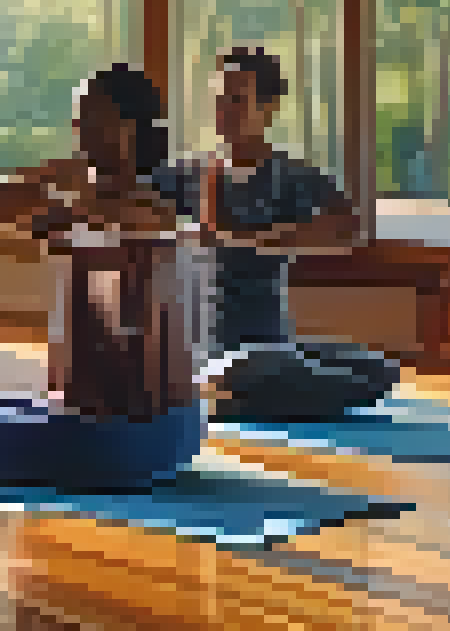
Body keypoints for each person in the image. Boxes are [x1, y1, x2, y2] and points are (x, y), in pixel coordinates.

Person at [0, 65, 204, 491]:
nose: (77, 129)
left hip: (123, 441)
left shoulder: (152, 208)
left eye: (90, 118)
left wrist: (68, 196)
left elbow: (128, 217)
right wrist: (49, 179)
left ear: (127, 129)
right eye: (78, 119)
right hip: (159, 434)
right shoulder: (81, 206)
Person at [151, 48, 399, 421]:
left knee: (380, 371)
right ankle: (221, 392)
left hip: (273, 345)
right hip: (212, 351)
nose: (224, 110)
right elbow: (131, 201)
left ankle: (232, 401)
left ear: (268, 107)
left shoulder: (290, 175)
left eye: (237, 99)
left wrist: (254, 236)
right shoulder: (191, 173)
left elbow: (349, 226)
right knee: (255, 367)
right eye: (219, 99)